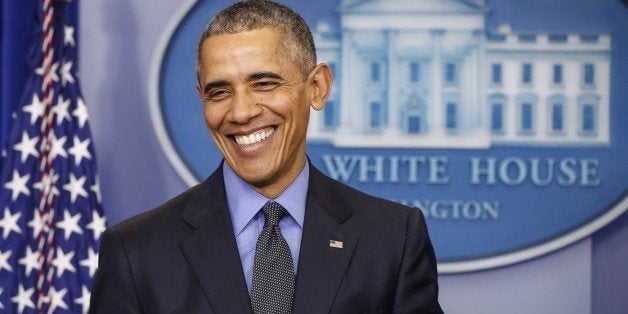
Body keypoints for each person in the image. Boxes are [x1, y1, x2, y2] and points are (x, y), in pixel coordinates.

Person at [89, 1, 443, 313]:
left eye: (264, 84)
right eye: (219, 91)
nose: (241, 112)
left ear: (316, 88)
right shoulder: (136, 252)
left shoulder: (392, 238)